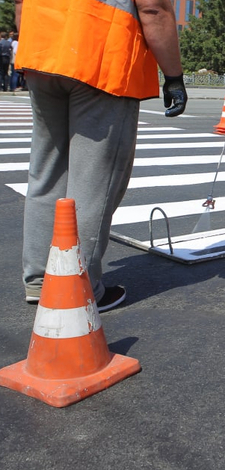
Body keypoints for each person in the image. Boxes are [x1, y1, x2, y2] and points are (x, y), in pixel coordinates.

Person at [15, 0, 188, 311]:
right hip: (101, 51)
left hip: (41, 47)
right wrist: (173, 76)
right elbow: (154, 8)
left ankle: (41, 280)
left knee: (47, 171)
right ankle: (78, 287)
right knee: (93, 180)